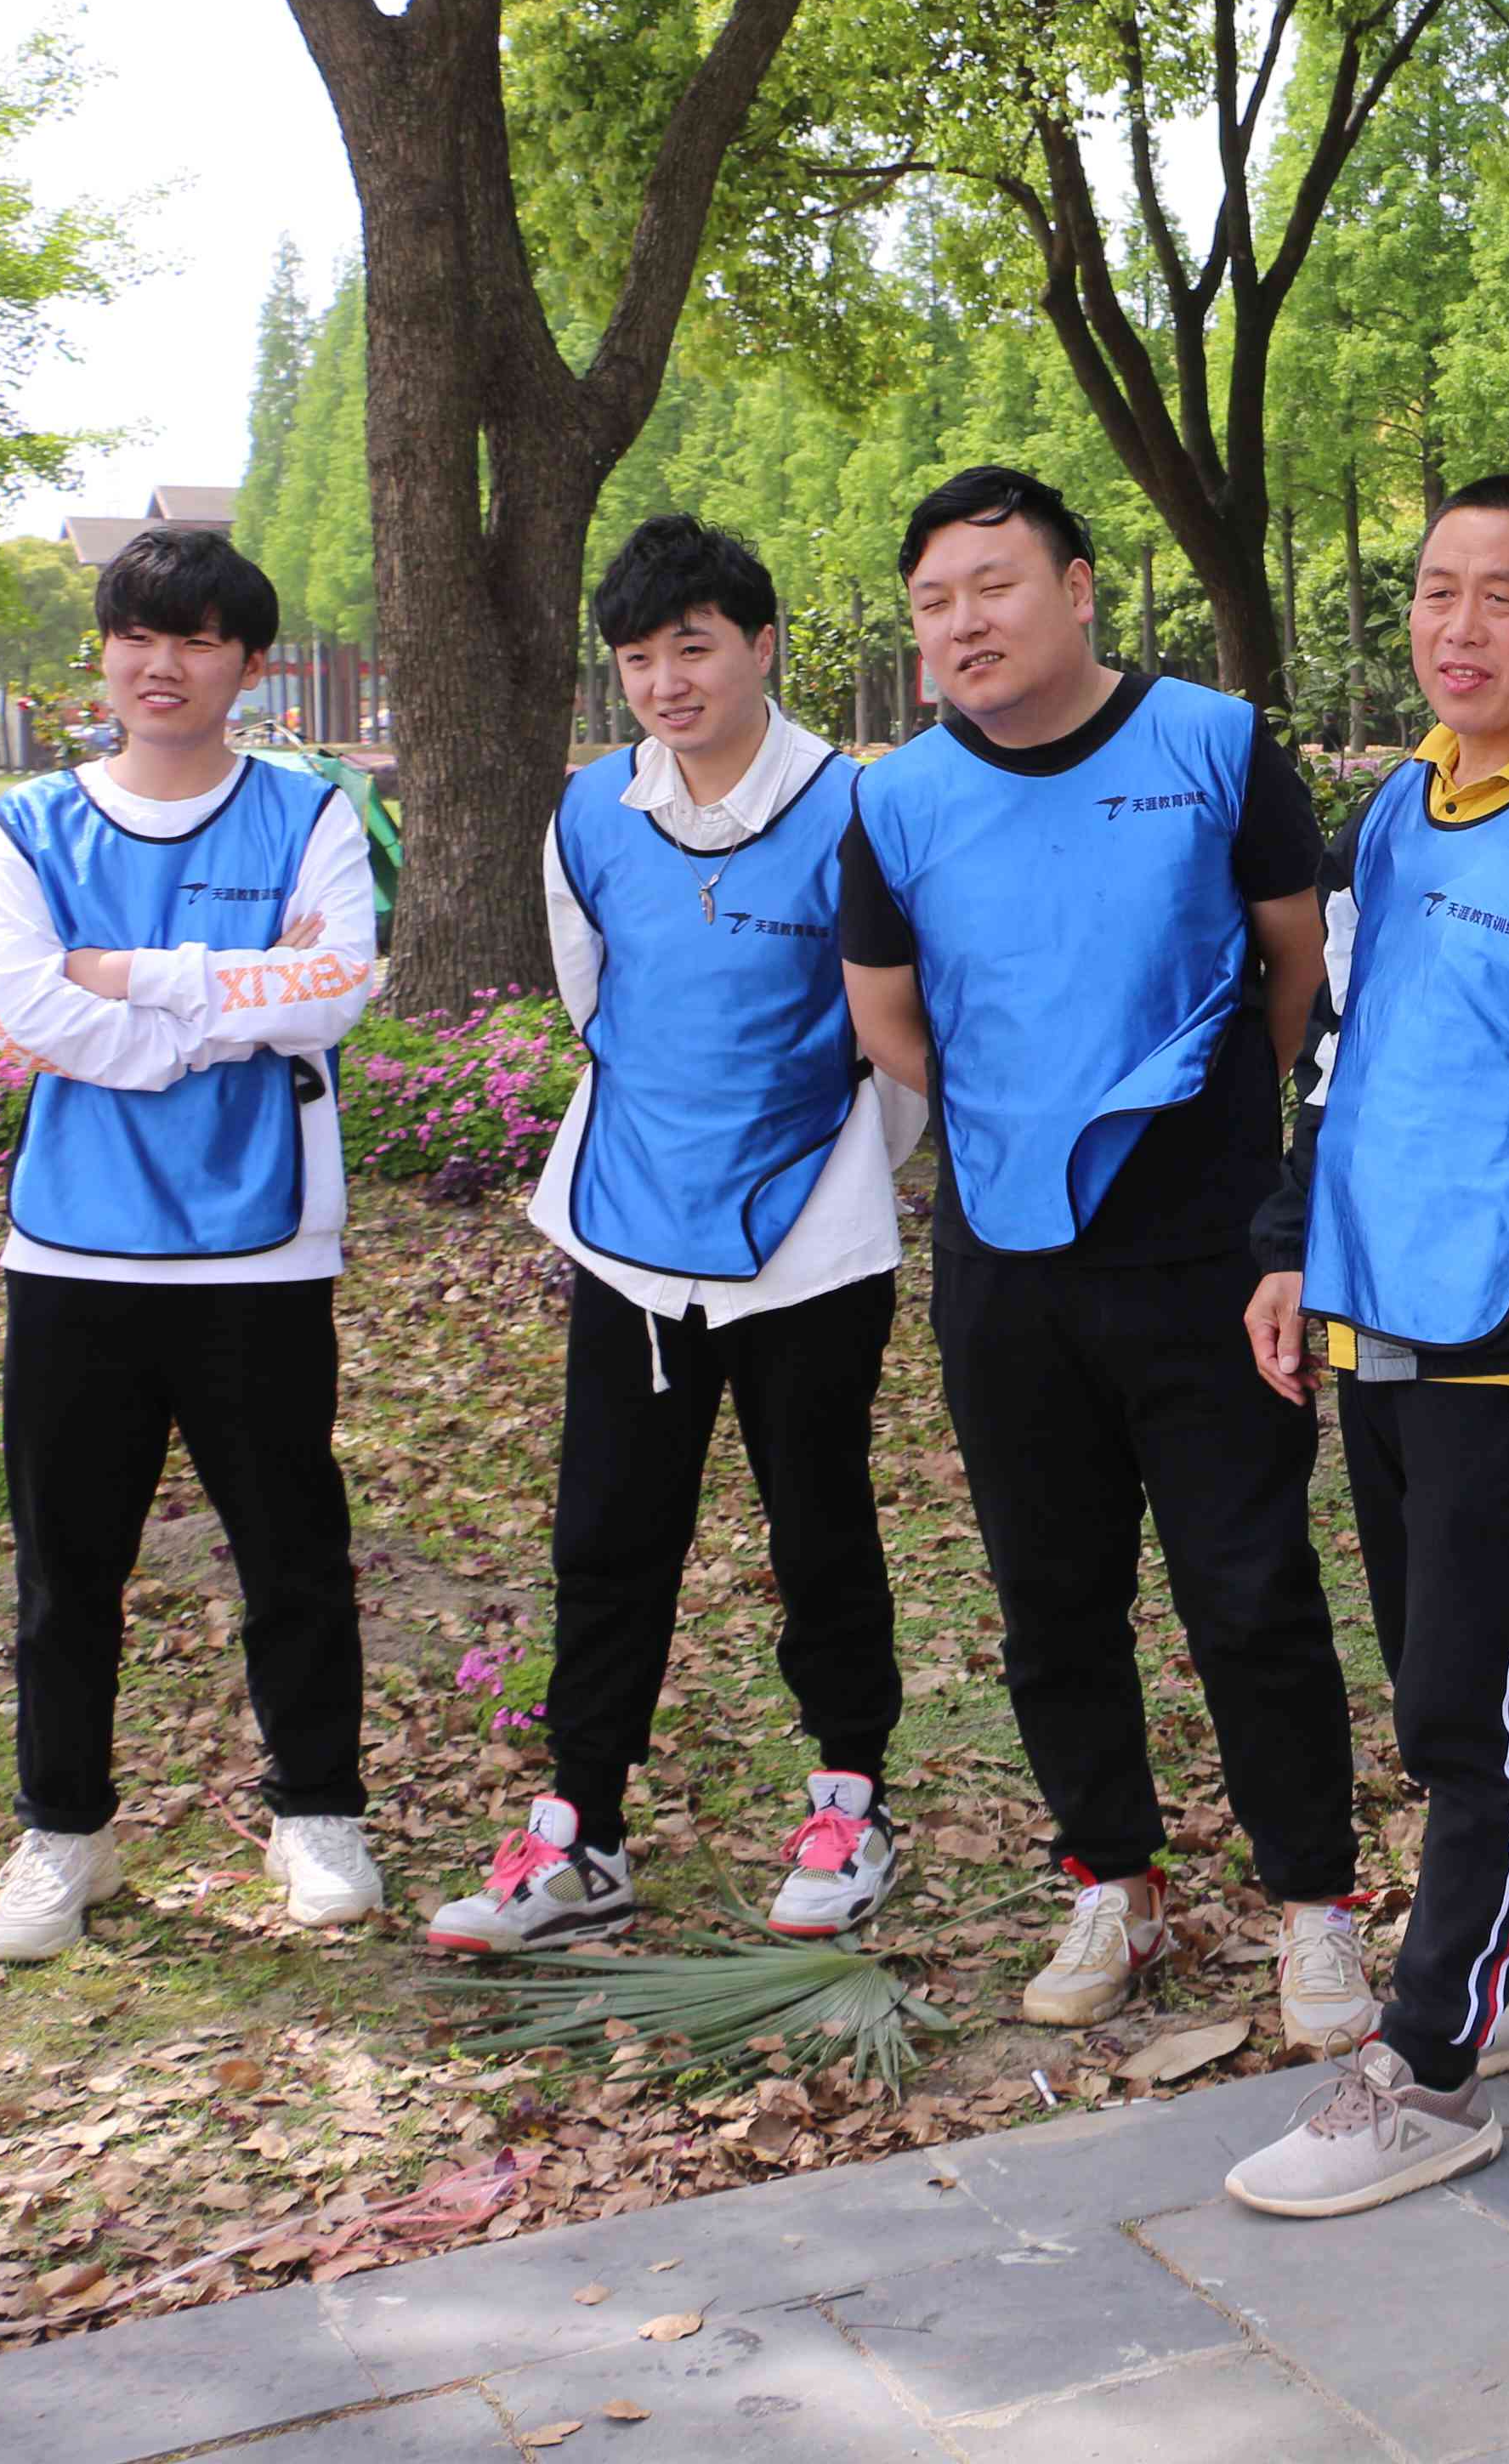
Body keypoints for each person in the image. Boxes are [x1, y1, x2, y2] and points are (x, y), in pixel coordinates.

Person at [838, 465, 1368, 2044]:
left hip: (1209, 1254)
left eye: (993, 587)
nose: (963, 624)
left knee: (1250, 1587)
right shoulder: (898, 799)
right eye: (934, 603)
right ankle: (1111, 1880)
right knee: (1050, 1594)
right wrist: (1030, 1115)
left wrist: (1208, 1132)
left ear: (1077, 589)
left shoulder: (1211, 742)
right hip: (1006, 1259)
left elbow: (1295, 969)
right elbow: (888, 1016)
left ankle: (1314, 1906)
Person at [1222, 476, 1509, 2217]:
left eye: (1504, 595)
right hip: (1380, 1303)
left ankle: (1426, 2068)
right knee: (1491, 1667)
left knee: (1454, 1709)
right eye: (1436, 591)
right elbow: (1335, 1046)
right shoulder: (1397, 807)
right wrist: (1290, 1248)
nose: (1459, 627)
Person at [425, 517, 922, 1956]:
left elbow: (896, 1039)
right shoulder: (591, 812)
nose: (665, 683)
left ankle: (851, 1801)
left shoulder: (860, 810)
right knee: (607, 1532)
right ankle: (579, 1829)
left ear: (762, 646)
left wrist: (833, 1174)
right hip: (630, 1234)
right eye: (638, 659)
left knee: (819, 1525)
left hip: (811, 1240)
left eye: (692, 648)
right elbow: (597, 1002)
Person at [0, 524, 386, 1962]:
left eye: (200, 640)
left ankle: (317, 1811)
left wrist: (133, 980)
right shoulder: (31, 825)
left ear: (249, 666)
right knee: (65, 1569)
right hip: (74, 1254)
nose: (166, 665)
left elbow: (334, 990)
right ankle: (63, 1831)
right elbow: (25, 1011)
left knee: (293, 1553)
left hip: (260, 1252)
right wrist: (213, 1023)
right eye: (140, 637)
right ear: (103, 654)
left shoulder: (307, 812)